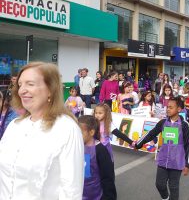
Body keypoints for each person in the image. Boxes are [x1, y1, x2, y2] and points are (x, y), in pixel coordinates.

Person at [0, 62, 84, 199]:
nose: (21, 90)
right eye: (20, 85)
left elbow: (71, 191)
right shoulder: (14, 125)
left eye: (30, 84)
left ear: (50, 89)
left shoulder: (67, 129)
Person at [135, 97, 189, 200]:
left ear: (179, 109)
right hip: (163, 159)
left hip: (177, 161)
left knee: (173, 187)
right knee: (159, 184)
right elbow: (151, 133)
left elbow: (188, 145)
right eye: (167, 107)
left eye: (171, 107)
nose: (168, 109)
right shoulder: (162, 123)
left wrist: (187, 164)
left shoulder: (184, 125)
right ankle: (165, 198)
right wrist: (138, 144)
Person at [78, 115, 117, 200]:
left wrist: (108, 197)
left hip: (96, 196)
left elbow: (108, 178)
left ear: (91, 132)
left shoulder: (100, 150)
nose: (77, 135)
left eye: (80, 132)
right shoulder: (77, 147)